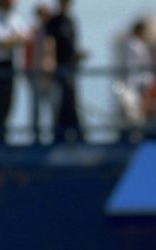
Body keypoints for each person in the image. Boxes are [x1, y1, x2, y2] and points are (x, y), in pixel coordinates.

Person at [0, 0, 32, 144]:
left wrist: (15, 39)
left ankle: (3, 136)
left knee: (9, 103)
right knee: (0, 102)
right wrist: (17, 38)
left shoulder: (12, 17)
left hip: (11, 65)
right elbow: (1, 42)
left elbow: (27, 35)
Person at [42, 0, 86, 143]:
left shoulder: (71, 21)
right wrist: (49, 62)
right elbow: (49, 43)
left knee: (70, 100)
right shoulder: (53, 22)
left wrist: (77, 56)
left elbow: (72, 44)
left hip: (71, 67)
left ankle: (74, 134)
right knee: (63, 102)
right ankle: (63, 135)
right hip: (59, 67)